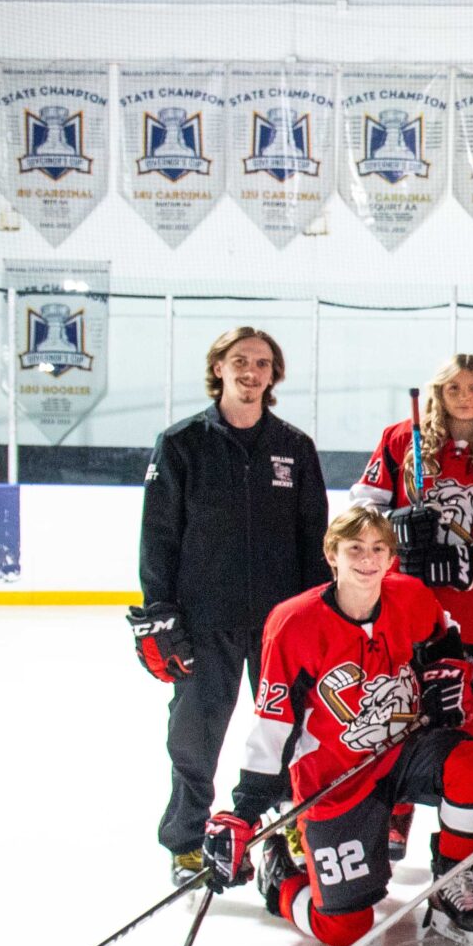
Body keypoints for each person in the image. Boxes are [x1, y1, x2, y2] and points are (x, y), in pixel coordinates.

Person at [200, 508, 473, 946]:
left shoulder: (411, 596)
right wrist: (244, 809)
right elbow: (273, 722)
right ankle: (280, 881)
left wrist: (445, 672)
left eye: (379, 549)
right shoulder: (292, 624)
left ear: (390, 557)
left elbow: (445, 638)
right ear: (332, 554)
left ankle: (452, 882)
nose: (368, 559)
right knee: (344, 929)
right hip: (337, 778)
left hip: (403, 750)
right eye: (355, 549)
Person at [132, 326, 331, 884]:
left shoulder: (294, 447)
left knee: (290, 736)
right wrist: (159, 609)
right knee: (195, 738)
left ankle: (285, 831)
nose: (251, 371)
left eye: (263, 363)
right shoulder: (181, 444)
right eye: (239, 360)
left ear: (274, 374)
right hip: (203, 620)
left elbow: (315, 541)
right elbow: (158, 536)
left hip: (280, 626)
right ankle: (187, 841)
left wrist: (322, 613)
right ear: (218, 367)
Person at [350, 354, 473, 858]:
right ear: (438, 392)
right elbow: (361, 507)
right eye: (454, 387)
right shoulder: (398, 442)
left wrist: (467, 559)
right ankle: (395, 811)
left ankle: (458, 831)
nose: (465, 396)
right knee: (396, 705)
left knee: (463, 714)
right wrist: (396, 525)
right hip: (400, 609)